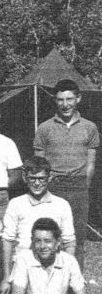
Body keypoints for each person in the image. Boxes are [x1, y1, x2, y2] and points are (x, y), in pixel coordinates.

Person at [34, 79, 98, 270]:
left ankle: (74, 278)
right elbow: (38, 165)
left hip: (78, 187)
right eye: (61, 100)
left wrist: (83, 187)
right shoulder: (44, 128)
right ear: (55, 100)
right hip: (53, 187)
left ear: (78, 99)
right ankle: (47, 275)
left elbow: (91, 165)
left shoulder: (90, 127)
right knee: (49, 235)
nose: (65, 104)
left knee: (77, 237)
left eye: (69, 99)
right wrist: (45, 189)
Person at [10, 218, 102, 294]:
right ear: (33, 242)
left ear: (57, 242)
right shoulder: (24, 259)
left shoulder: (69, 260)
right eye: (38, 241)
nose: (42, 246)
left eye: (47, 241)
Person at [0, 156, 75, 294]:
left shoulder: (62, 205)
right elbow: (8, 240)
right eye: (32, 178)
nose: (36, 183)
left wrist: (68, 272)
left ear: (49, 178)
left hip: (52, 264)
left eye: (41, 179)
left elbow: (69, 241)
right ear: (24, 177)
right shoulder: (16, 204)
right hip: (23, 266)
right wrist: (6, 277)